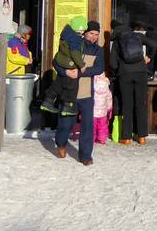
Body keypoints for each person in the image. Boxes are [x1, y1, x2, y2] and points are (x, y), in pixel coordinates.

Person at [54, 21, 105, 164]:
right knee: (66, 123)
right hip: (69, 91)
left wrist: (80, 73)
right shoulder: (73, 43)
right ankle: (61, 143)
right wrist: (65, 72)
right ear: (85, 33)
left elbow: (99, 68)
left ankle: (85, 156)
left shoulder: (98, 50)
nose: (94, 37)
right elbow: (56, 62)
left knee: (87, 126)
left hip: (86, 92)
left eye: (96, 34)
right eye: (91, 33)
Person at [112, 20, 157, 145]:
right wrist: (149, 57)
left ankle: (126, 137)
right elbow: (154, 44)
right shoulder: (138, 36)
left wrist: (117, 69)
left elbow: (113, 63)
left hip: (125, 74)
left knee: (127, 105)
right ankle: (142, 137)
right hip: (141, 73)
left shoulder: (117, 40)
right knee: (141, 104)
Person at [41, 16, 90, 116]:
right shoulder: (75, 39)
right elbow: (75, 53)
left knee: (58, 84)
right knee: (72, 86)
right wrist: (81, 65)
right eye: (82, 30)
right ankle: (68, 107)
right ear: (79, 28)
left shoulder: (65, 35)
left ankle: (48, 101)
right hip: (70, 64)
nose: (83, 33)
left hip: (61, 62)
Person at [92, 74, 113, 144]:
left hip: (93, 111)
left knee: (92, 126)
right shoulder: (106, 85)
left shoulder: (93, 84)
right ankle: (102, 139)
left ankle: (92, 138)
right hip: (103, 111)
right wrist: (109, 108)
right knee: (102, 126)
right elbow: (109, 98)